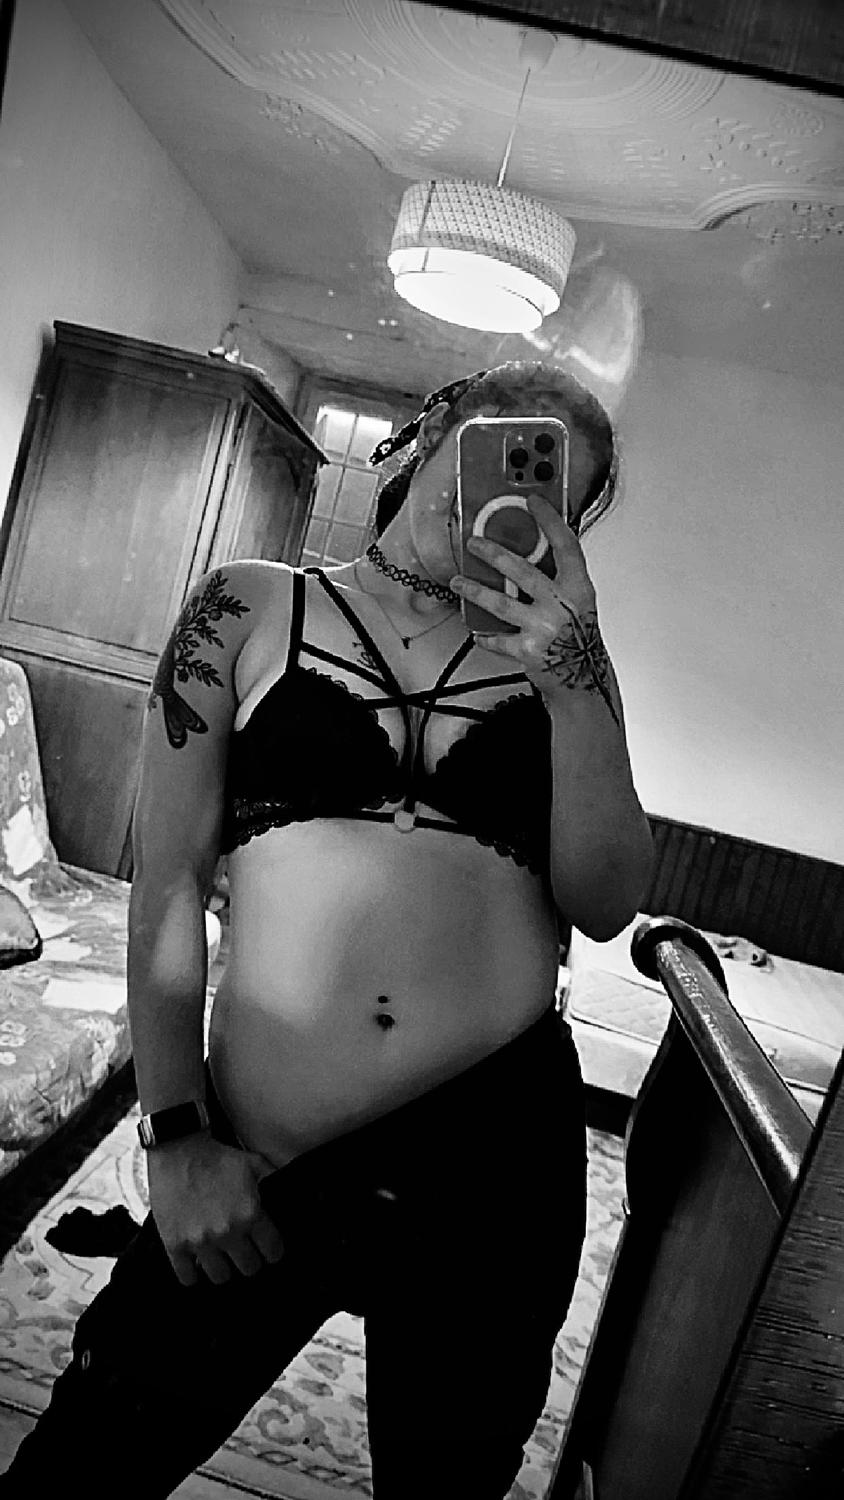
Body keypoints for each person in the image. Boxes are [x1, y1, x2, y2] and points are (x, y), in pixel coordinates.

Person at [3, 360, 653, 1498]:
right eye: (501, 445)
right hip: (264, 1146)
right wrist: (175, 1137)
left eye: (552, 482)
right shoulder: (249, 608)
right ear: (433, 430)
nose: (509, 492)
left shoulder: (566, 674)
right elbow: (168, 884)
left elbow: (606, 904)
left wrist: (572, 673)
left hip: (494, 1158)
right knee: (86, 1462)